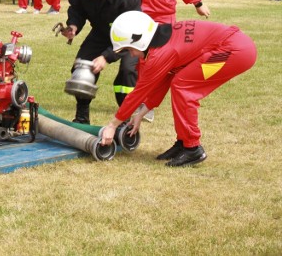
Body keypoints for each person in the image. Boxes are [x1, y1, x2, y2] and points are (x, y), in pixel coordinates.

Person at [100, 11, 257, 167]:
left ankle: (192, 148)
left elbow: (139, 92)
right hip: (235, 46)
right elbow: (162, 81)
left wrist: (113, 125)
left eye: (129, 49)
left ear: (140, 41)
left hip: (235, 50)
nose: (132, 55)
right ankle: (183, 143)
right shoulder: (161, 41)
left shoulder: (160, 54)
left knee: (183, 85)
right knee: (179, 81)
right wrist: (140, 114)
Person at [57, 0, 141, 124]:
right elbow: (77, 8)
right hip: (101, 32)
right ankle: (82, 116)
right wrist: (73, 25)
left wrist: (106, 57)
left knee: (127, 72)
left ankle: (126, 120)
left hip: (129, 38)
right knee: (81, 68)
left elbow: (131, 33)